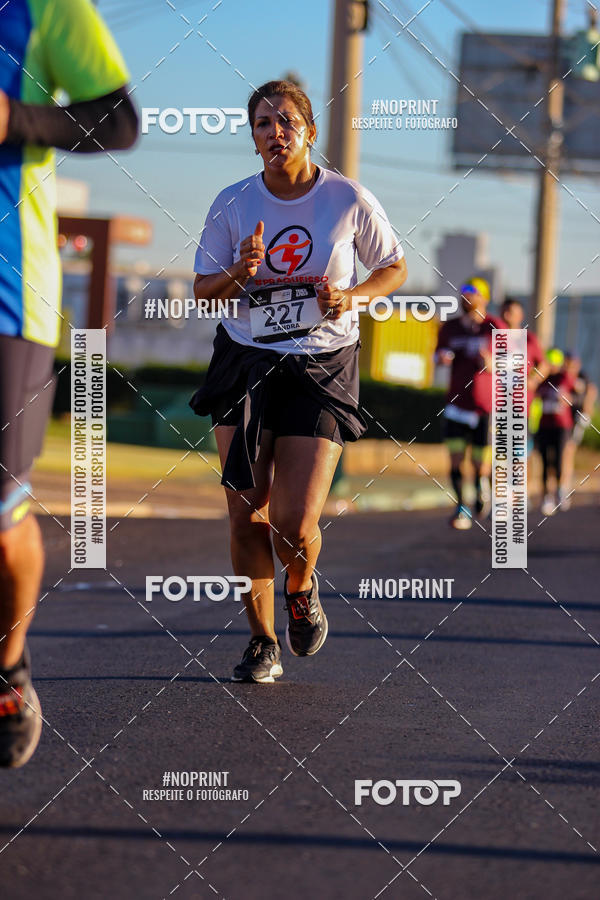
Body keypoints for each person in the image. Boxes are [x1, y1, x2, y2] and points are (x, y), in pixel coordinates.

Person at [191, 80, 407, 683]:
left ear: (310, 131)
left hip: (320, 363)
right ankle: (262, 642)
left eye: (285, 121)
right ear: (253, 136)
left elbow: (394, 266)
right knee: (245, 514)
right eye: (262, 123)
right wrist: (242, 270)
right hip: (245, 360)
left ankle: (302, 585)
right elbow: (203, 292)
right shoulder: (233, 203)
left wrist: (351, 295)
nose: (273, 131)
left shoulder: (347, 199)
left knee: (293, 521)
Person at [0, 0, 138, 767]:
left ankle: (8, 661)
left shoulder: (45, 8)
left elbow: (117, 120)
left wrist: (17, 118)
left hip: (8, 290)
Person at [435, 277, 501, 530]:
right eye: (463, 294)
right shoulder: (450, 328)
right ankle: (461, 506)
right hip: (456, 404)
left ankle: (481, 488)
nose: (466, 298)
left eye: (472, 294)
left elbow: (513, 363)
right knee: (455, 459)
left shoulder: (495, 326)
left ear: (484, 298)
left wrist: (492, 364)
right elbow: (437, 355)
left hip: (485, 407)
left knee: (479, 462)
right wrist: (441, 358)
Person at [535, 349, 576, 516]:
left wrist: (567, 399)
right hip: (544, 424)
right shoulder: (542, 379)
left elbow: (576, 394)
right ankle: (546, 496)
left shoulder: (565, 377)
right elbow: (533, 393)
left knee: (558, 458)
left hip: (561, 425)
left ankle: (560, 490)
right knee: (544, 460)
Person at [560, 352, 597, 509]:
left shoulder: (583, 377)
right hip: (562, 420)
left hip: (575, 420)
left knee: (568, 452)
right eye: (568, 363)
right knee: (562, 454)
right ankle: (560, 486)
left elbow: (591, 392)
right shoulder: (561, 377)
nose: (571, 367)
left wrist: (587, 412)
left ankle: (564, 488)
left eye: (573, 364)